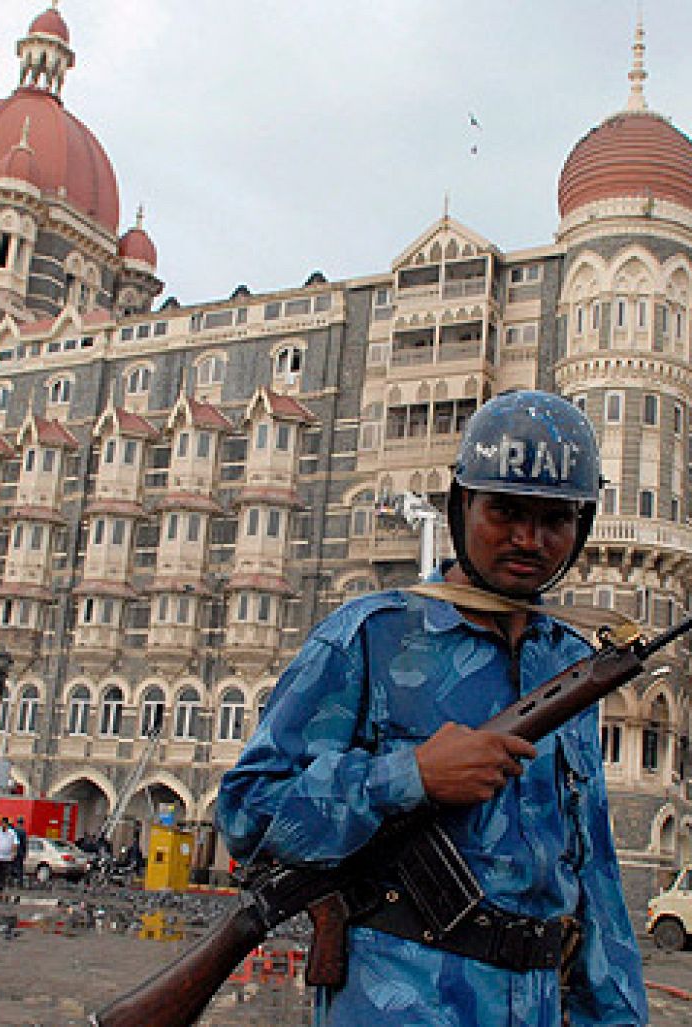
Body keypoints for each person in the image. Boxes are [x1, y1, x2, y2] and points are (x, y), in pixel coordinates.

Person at [218, 391, 647, 1026]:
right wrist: (409, 775)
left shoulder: (570, 664)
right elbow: (247, 811)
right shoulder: (370, 638)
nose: (529, 539)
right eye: (505, 510)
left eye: (555, 519)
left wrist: (616, 1017)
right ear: (460, 506)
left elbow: (593, 871)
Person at [0, 817, 20, 893]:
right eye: (2, 823)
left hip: (6, 857)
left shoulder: (12, 833)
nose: (3, 825)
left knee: (4, 874)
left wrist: (13, 853)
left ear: (7, 824)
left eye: (5, 824)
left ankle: (1, 888)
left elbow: (15, 844)